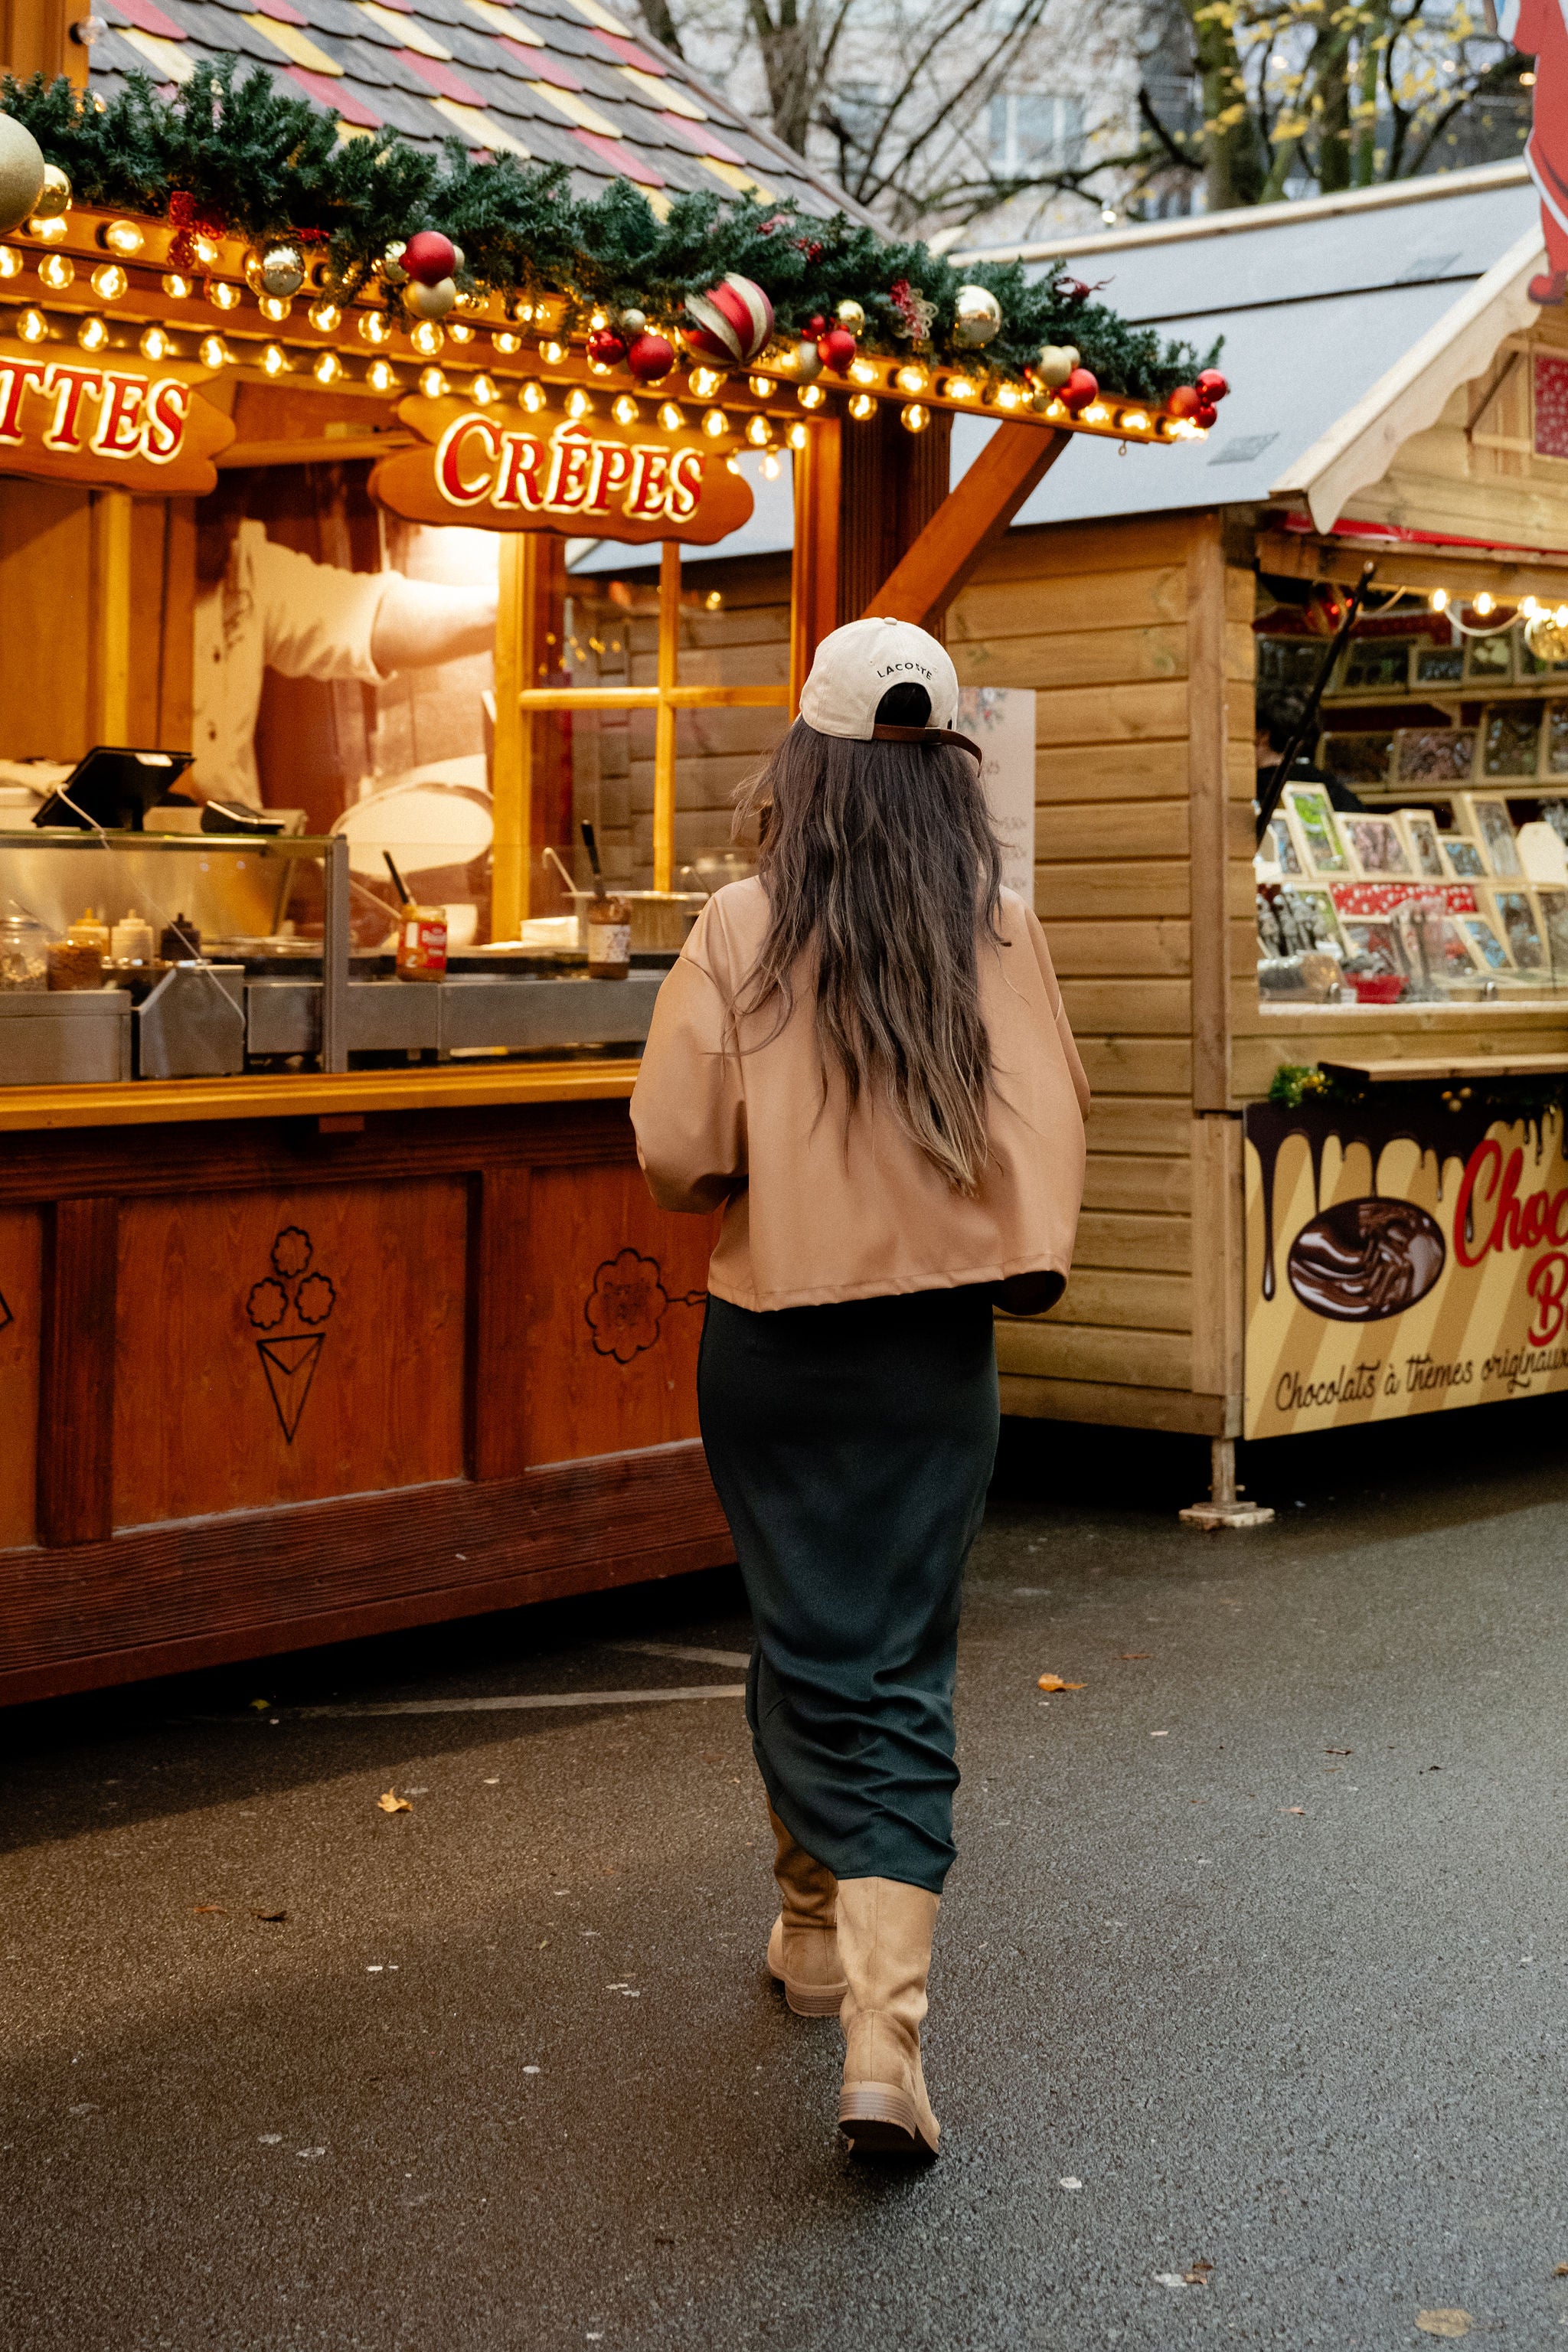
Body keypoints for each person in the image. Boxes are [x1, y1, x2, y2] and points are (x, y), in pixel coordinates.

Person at [630, 616, 1089, 2160]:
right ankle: (874, 2041)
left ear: (809, 763)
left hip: (769, 1343)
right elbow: (1054, 1125)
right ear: (950, 770)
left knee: (800, 1621)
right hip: (930, 1355)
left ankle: (811, 1931)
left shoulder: (739, 923)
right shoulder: (1001, 926)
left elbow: (679, 1155)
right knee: (893, 1650)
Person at [191, 485, 498, 806]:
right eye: (207, 514)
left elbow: (369, 617)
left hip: (236, 846)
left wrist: (506, 609)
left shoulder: (238, 560)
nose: (230, 526)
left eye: (231, 511)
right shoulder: (138, 614)